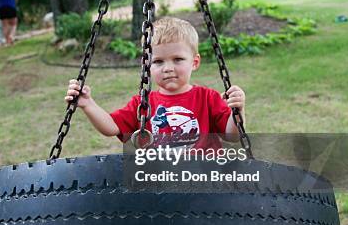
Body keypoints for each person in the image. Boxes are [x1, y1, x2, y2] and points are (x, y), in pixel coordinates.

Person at [65, 17, 246, 150]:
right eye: (158, 61)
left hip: (203, 181)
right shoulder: (142, 104)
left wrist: (238, 111)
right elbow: (111, 127)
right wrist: (88, 104)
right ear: (147, 66)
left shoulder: (208, 98)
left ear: (195, 62)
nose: (168, 68)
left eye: (177, 59)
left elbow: (232, 136)